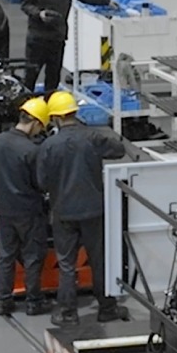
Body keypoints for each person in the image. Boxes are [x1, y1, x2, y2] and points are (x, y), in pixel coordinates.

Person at [36, 89, 128, 325]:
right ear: (74, 113)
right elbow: (119, 150)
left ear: (56, 117)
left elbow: (41, 181)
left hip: (63, 212)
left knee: (67, 264)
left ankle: (68, 313)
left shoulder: (49, 145)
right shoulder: (91, 137)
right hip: (93, 211)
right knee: (99, 260)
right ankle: (107, 308)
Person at [19, 0, 111, 93]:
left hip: (57, 38)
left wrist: (107, 2)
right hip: (37, 39)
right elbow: (25, 4)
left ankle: (50, 104)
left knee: (53, 78)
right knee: (30, 77)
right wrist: (39, 13)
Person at [0, 96, 53, 317]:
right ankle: (34, 302)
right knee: (32, 257)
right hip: (29, 211)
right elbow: (41, 182)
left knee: (5, 255)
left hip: (5, 208)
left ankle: (3, 300)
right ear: (35, 122)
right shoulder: (31, 150)